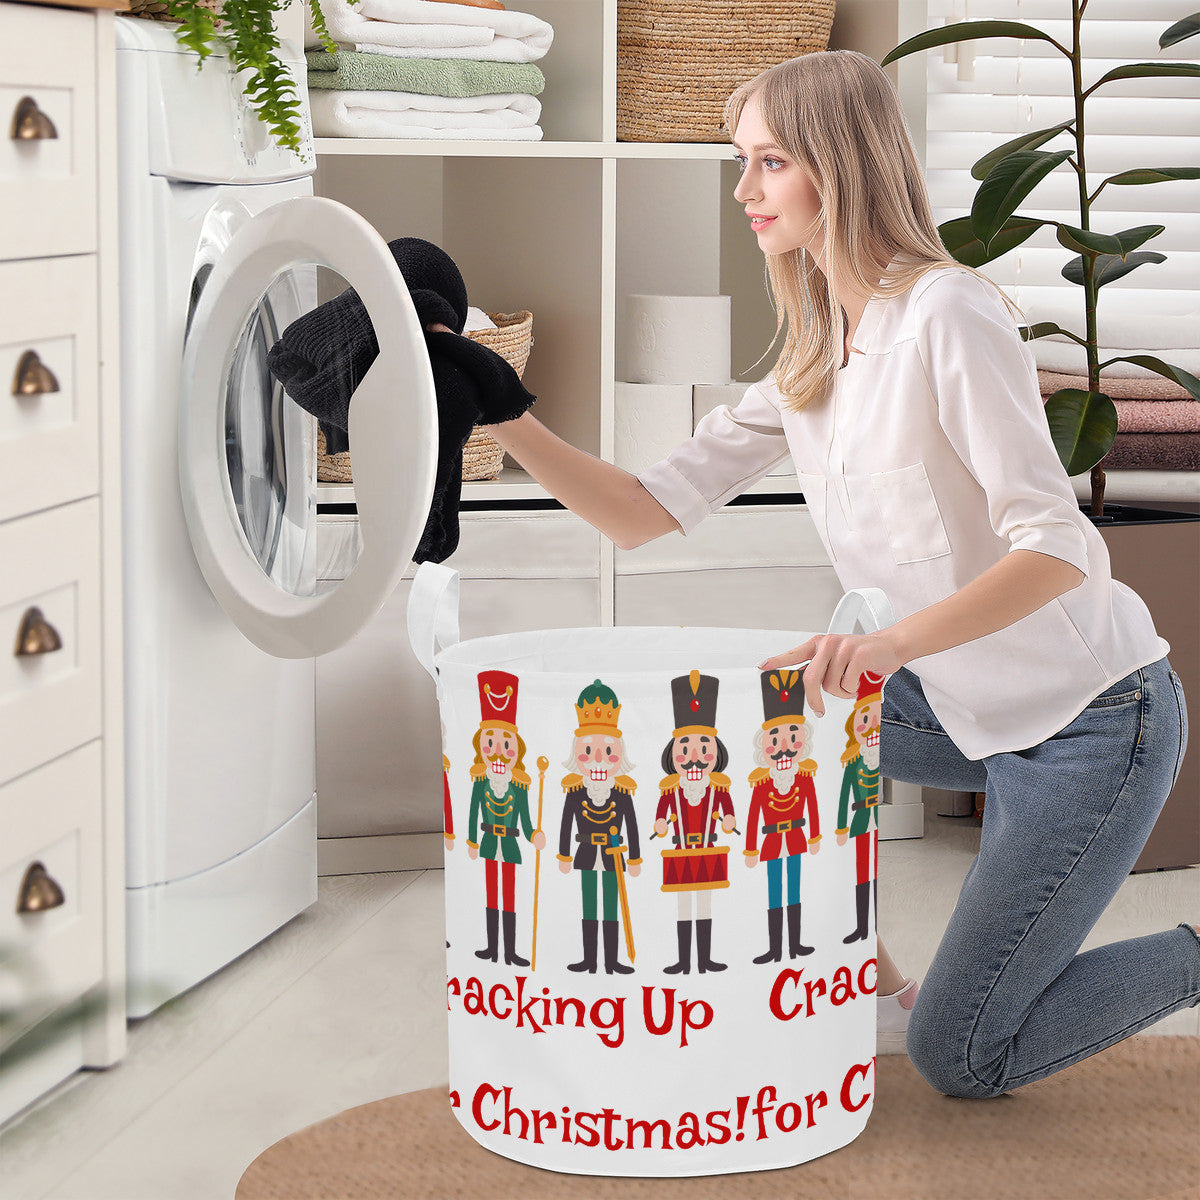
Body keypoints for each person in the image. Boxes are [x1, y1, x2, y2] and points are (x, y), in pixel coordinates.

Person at [439, 49, 1197, 1099]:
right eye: (740, 161)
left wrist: (883, 648)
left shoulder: (949, 315)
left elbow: (1059, 548)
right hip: (969, 704)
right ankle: (867, 980)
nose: (745, 190)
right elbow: (639, 513)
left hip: (1091, 724)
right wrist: (502, 410)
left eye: (770, 162)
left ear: (838, 168)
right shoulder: (811, 356)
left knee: (966, 1057)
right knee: (736, 735)